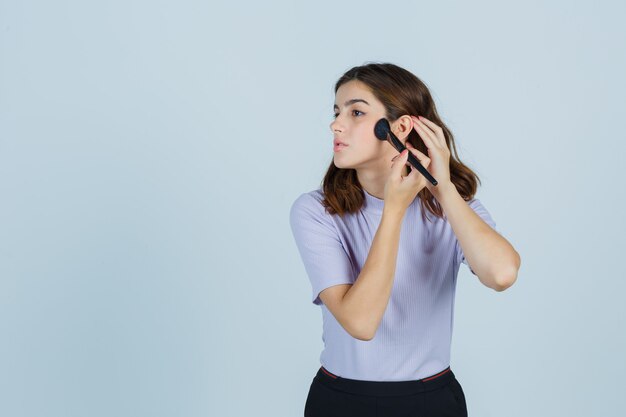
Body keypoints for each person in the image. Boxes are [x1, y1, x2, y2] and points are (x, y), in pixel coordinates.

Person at [289, 62, 521, 417]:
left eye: (356, 112)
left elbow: (502, 274)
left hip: (431, 399)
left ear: (398, 128)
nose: (336, 124)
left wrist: (442, 189)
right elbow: (361, 323)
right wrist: (393, 211)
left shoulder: (453, 209)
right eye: (336, 112)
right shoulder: (316, 211)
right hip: (340, 400)